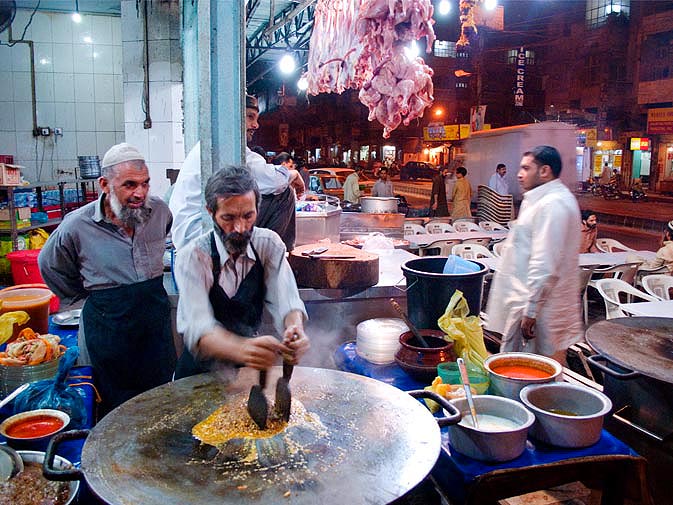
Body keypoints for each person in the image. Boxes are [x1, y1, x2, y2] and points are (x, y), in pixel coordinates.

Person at [38, 143, 176, 415]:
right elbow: (50, 265)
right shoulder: (77, 225)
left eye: (145, 183)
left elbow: (165, 234)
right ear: (104, 184)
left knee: (159, 404)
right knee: (112, 410)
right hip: (107, 327)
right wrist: (87, 295)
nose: (140, 193)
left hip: (153, 325)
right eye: (129, 185)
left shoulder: (159, 211)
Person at [173, 165, 310, 379]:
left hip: (245, 375)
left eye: (248, 215)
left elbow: (287, 300)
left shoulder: (268, 245)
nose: (240, 228)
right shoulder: (194, 257)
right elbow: (199, 329)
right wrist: (244, 349)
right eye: (228, 218)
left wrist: (294, 329)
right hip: (197, 377)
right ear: (211, 212)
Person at [169, 94, 305, 252]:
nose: (256, 125)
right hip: (200, 234)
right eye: (250, 117)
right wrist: (293, 174)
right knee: (285, 194)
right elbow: (274, 180)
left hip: (188, 234)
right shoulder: (226, 147)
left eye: (256, 119)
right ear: (233, 117)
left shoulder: (212, 143)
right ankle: (270, 258)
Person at [485, 145, 582, 364]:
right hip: (531, 304)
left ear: (544, 171)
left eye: (526, 168)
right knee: (525, 370)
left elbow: (545, 263)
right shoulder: (539, 199)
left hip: (542, 311)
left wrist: (531, 311)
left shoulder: (553, 204)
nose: (519, 174)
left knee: (540, 372)